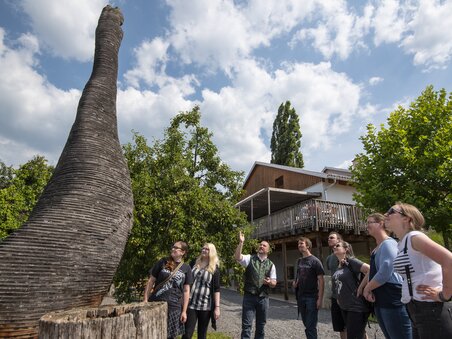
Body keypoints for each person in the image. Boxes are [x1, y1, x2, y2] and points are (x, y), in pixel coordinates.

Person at [386, 202, 452, 339]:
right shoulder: (402, 243)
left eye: (391, 211)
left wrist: (445, 294)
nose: (386, 214)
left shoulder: (414, 237)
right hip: (417, 309)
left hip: (431, 308)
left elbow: (448, 259)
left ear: (407, 218)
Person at [362, 213, 412, 338]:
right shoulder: (378, 247)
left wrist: (367, 288)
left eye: (370, 222)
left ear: (380, 223)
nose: (367, 226)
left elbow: (385, 272)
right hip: (382, 299)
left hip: (391, 298)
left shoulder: (388, 244)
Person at [144, 241, 193, 339]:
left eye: (176, 248)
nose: (173, 249)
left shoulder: (186, 268)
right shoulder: (163, 262)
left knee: (169, 336)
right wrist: (145, 299)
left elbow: (186, 291)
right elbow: (151, 281)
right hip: (155, 303)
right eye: (173, 247)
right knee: (152, 333)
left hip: (174, 307)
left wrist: (184, 311)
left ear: (183, 252)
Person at [235, 231, 277, 339]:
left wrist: (269, 282)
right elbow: (238, 257)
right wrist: (241, 243)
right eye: (260, 244)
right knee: (246, 326)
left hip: (263, 299)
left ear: (268, 250)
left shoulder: (271, 265)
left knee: (261, 327)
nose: (261, 246)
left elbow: (274, 282)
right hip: (249, 296)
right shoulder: (250, 258)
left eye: (264, 245)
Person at [332, 241, 370, 339]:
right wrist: (337, 297)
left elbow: (370, 269)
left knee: (354, 336)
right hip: (345, 307)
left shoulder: (352, 261)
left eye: (338, 246)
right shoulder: (339, 265)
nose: (334, 247)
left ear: (346, 250)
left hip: (356, 306)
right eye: (334, 246)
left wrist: (361, 287)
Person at [183, 243, 221, 339]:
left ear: (211, 252)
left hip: (205, 306)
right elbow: (186, 281)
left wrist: (217, 307)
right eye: (203, 248)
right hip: (191, 303)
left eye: (207, 249)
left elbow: (216, 289)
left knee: (202, 334)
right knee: (187, 333)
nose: (204, 250)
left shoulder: (215, 268)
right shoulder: (194, 263)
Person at [293, 237, 325, 339]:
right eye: (298, 244)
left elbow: (321, 280)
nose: (299, 245)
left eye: (301, 243)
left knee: (310, 326)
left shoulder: (315, 261)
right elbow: (299, 276)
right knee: (306, 323)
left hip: (312, 297)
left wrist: (320, 299)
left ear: (308, 246)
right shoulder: (299, 261)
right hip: (301, 297)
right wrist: (296, 283)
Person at [326, 232, 346, 339]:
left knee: (355, 327)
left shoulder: (347, 256)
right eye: (328, 238)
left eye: (332, 238)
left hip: (347, 295)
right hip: (335, 295)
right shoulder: (329, 259)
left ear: (338, 240)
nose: (329, 239)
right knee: (340, 327)